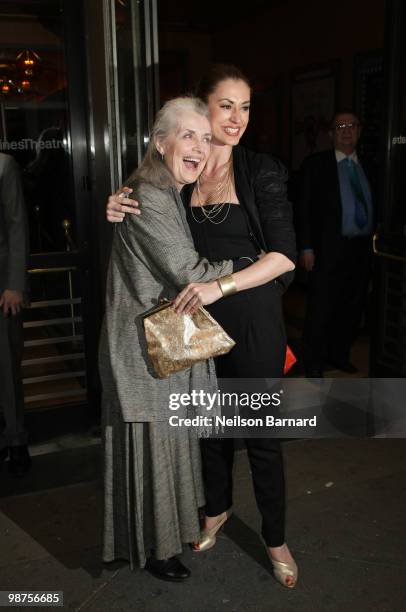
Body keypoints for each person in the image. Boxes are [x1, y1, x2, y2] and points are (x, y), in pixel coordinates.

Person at [105, 65, 298, 588]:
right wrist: (118, 200)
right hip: (194, 326)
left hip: (250, 317)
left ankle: (276, 539)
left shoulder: (261, 171)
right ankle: (216, 509)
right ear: (202, 110)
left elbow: (284, 257)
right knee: (209, 429)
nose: (237, 119)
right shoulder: (179, 172)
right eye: (226, 106)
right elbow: (149, 211)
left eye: (246, 107)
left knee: (258, 435)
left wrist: (222, 286)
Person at [295, 109, 374, 378]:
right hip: (326, 249)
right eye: (340, 126)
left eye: (352, 125)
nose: (347, 130)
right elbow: (303, 209)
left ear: (359, 131)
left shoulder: (371, 165)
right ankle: (313, 363)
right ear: (331, 134)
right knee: (321, 309)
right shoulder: (316, 165)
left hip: (360, 250)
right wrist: (305, 247)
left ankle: (339, 355)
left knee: (350, 307)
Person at [0, 152, 31, 477]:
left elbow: (16, 226)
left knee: (7, 368)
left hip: (2, 288)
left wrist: (14, 285)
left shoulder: (4, 166)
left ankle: (16, 440)